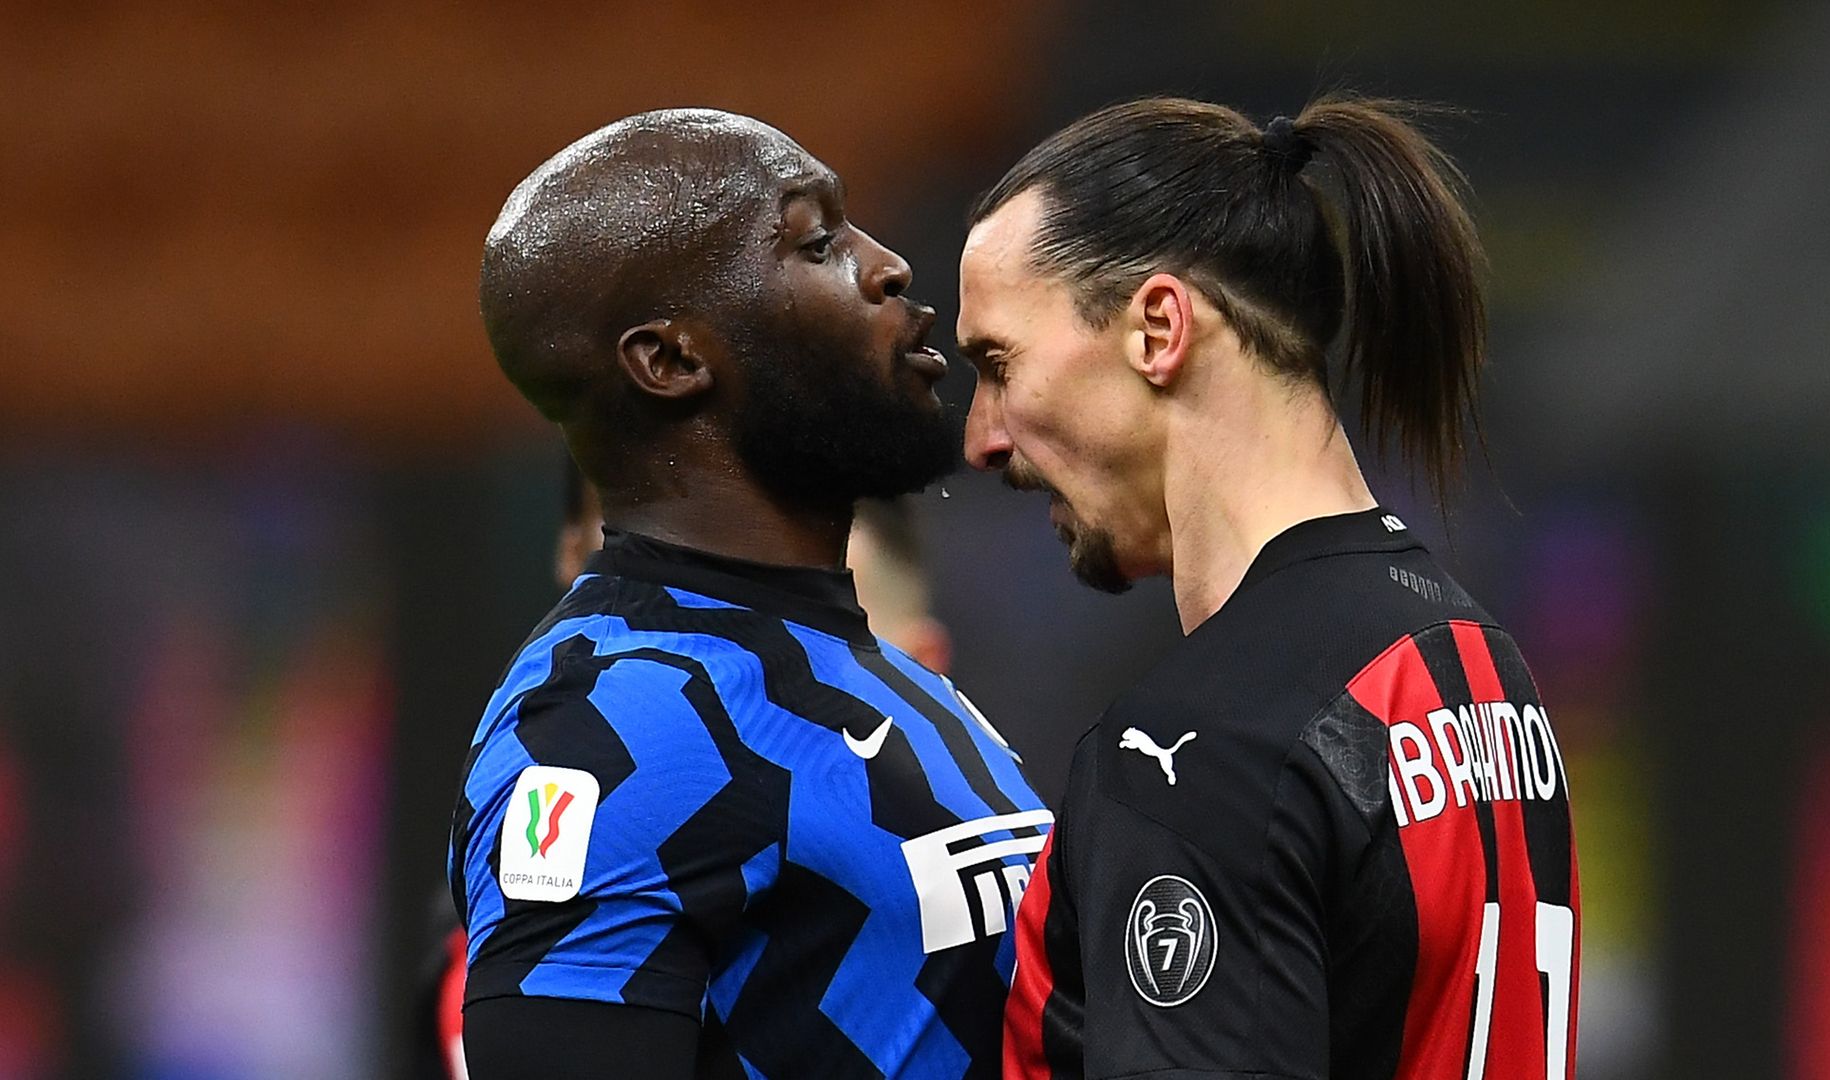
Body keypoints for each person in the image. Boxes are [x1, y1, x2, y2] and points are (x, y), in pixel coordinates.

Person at [958, 96, 1580, 1080]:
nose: (981, 438)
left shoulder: (1201, 751)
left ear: (1159, 328)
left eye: (999, 364)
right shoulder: (1479, 664)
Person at [452, 110, 1049, 1080]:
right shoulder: (606, 731)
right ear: (674, 362)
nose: (888, 267)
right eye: (817, 243)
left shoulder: (870, 669)